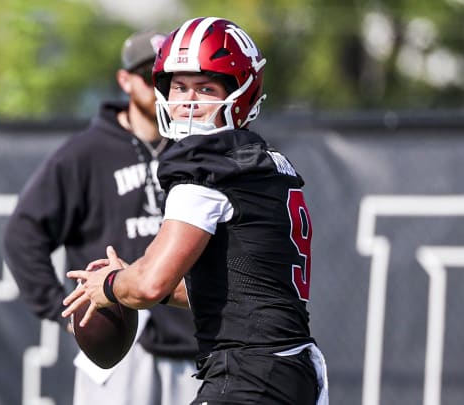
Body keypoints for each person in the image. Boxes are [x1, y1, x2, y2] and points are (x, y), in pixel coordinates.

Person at [62, 17, 329, 405]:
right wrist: (131, 276)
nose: (187, 101)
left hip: (247, 376)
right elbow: (235, 284)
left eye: (205, 88)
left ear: (240, 94)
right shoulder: (262, 165)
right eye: (179, 87)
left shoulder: (205, 167)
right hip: (293, 370)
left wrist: (108, 287)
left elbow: (149, 285)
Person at [2, 29, 200, 405]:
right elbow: (22, 233)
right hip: (118, 346)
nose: (159, 88)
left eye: (169, 80)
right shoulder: (85, 153)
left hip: (195, 341)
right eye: (149, 77)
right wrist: (64, 311)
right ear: (124, 80)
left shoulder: (198, 148)